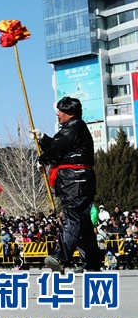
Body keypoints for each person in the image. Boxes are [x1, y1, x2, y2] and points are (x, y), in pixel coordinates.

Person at [31, 96, 100, 274]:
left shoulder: (74, 126)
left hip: (75, 180)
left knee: (72, 218)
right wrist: (43, 139)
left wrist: (43, 159)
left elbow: (57, 148)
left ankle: (60, 258)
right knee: (83, 224)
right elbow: (59, 145)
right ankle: (92, 262)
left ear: (70, 113)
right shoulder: (73, 128)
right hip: (77, 180)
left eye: (60, 110)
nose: (57, 114)